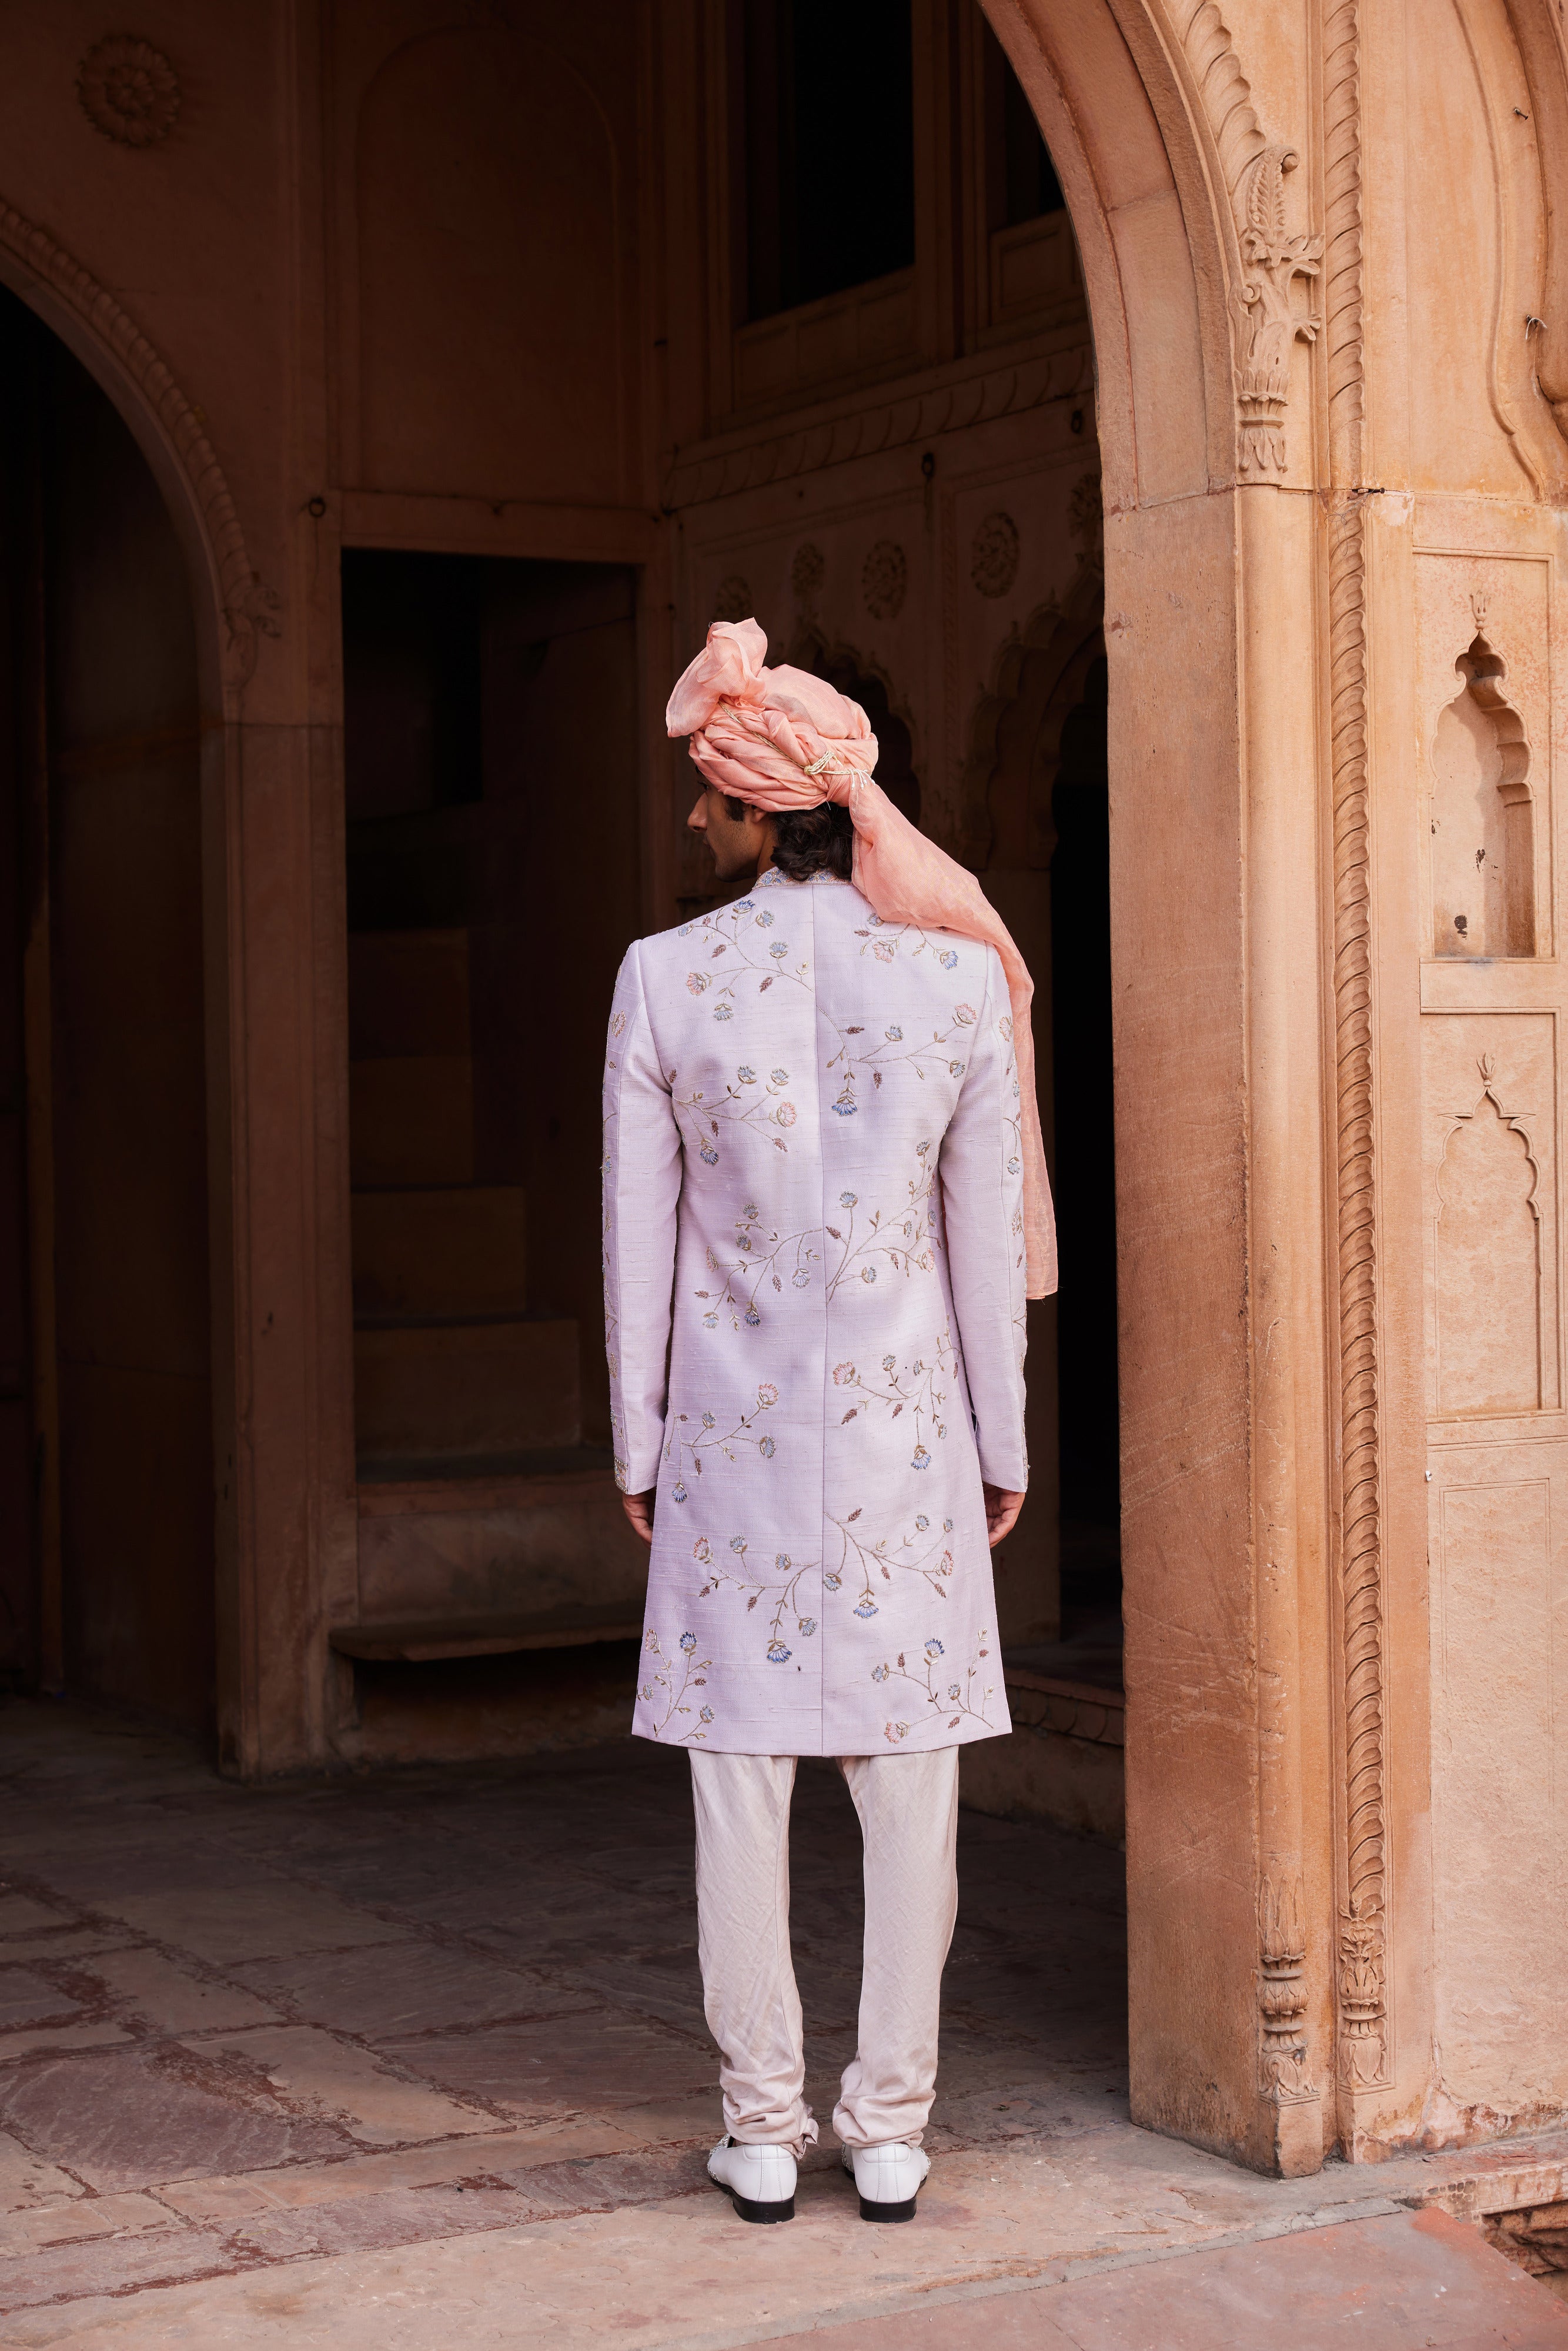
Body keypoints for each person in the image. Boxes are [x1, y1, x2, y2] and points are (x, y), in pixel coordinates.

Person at [601, 619, 1056, 2225]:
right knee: (905, 1778)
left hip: (727, 1429)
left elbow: (634, 1237)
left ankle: (757, 2127)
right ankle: (889, 2127)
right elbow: (983, 1244)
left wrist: (636, 1443)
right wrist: (1003, 1441)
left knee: (738, 1783)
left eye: (701, 798)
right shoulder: (953, 976)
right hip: (904, 1429)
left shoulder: (664, 977)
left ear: (747, 808)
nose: (688, 824)